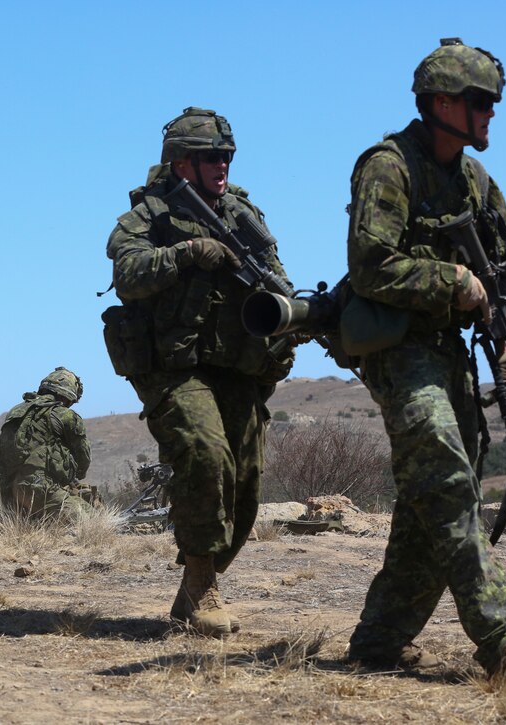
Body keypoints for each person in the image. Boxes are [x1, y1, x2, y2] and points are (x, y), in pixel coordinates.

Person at [344, 39, 506, 676]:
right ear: (443, 103)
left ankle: (379, 640)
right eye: (480, 104)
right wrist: (452, 283)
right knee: (444, 474)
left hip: (451, 351)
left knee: (430, 498)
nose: (490, 116)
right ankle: (503, 636)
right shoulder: (389, 166)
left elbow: (505, 275)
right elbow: (370, 265)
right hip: (397, 347)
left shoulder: (476, 181)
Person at [104, 108, 295, 636]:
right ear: (182, 162)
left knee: (246, 483)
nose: (222, 164)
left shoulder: (242, 214)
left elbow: (276, 275)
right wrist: (189, 253)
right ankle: (205, 584)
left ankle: (192, 586)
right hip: (175, 366)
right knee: (204, 454)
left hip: (238, 366)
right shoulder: (149, 215)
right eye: (212, 156)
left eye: (227, 156)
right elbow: (127, 273)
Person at [0, 368, 92, 521]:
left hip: (8, 494)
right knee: (93, 518)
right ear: (67, 396)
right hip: (40, 491)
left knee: (34, 524)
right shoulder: (66, 415)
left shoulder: (17, 411)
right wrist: (78, 474)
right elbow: (83, 456)